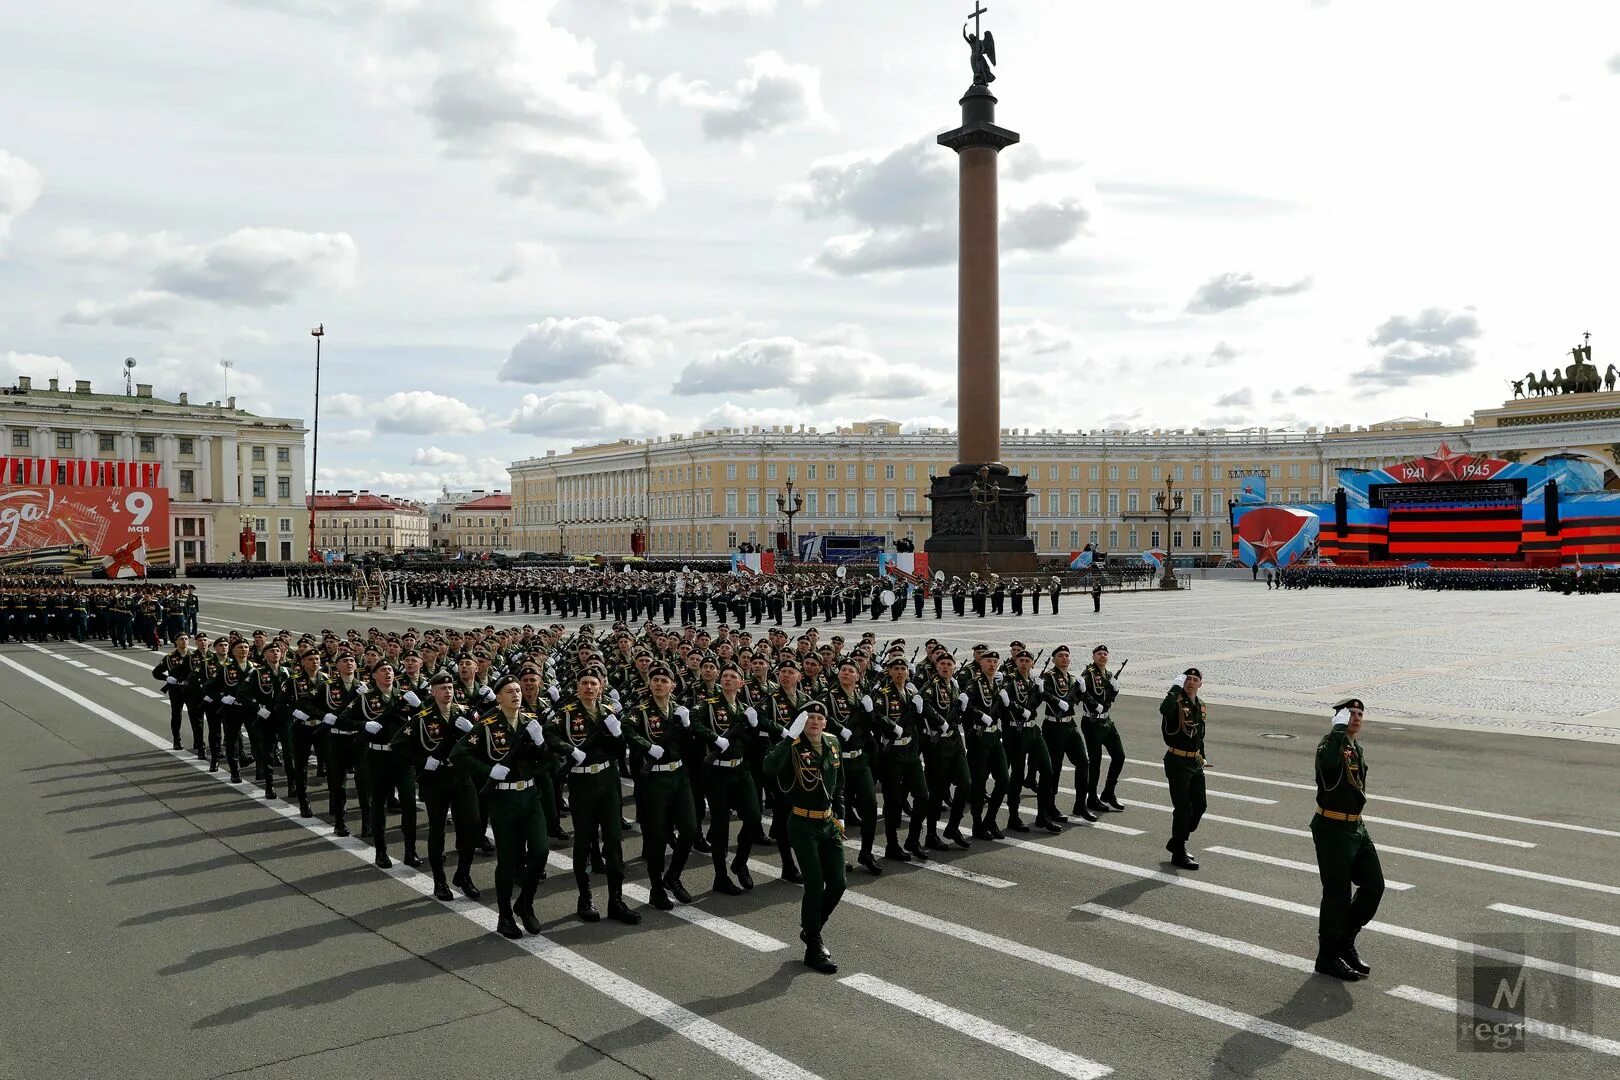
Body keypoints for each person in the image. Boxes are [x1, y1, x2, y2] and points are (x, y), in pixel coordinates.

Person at [451, 675, 556, 937]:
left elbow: (549, 763)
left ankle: (525, 904)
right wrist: (489, 770)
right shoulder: (487, 726)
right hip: (503, 800)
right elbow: (458, 754)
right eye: (510, 691)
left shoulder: (531, 723)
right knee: (508, 859)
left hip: (530, 797)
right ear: (498, 697)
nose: (516, 695)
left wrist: (541, 743)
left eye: (518, 690)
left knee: (541, 852)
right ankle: (505, 914)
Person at [763, 701, 845, 974]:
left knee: (838, 883)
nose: (814, 720)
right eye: (808, 716)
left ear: (825, 723)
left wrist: (840, 812)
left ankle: (812, 929)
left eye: (819, 717)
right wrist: (788, 738)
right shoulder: (794, 746)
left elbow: (838, 781)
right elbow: (770, 768)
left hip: (828, 823)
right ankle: (813, 944)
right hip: (802, 822)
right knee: (815, 883)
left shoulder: (833, 742)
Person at [556, 669, 641, 924]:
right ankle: (585, 897)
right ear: (577, 687)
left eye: (594, 683)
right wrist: (569, 749)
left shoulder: (608, 713)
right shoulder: (567, 715)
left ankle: (616, 900)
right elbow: (548, 736)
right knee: (583, 841)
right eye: (584, 683)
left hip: (607, 781)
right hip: (582, 782)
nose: (589, 688)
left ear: (601, 686)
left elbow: (618, 751)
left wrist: (617, 734)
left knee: (614, 841)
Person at [1311, 698, 1383, 981]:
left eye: (1359, 714)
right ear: (1339, 719)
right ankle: (1327, 957)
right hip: (1332, 827)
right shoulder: (1329, 745)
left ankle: (1344, 941)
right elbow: (1328, 765)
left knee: (1374, 885)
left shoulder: (1356, 748)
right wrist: (1337, 731)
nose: (1355, 717)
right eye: (1349, 713)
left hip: (1356, 827)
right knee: (1337, 896)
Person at [395, 671, 483, 902]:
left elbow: (482, 743)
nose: (447, 691)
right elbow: (398, 745)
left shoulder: (464, 713)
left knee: (473, 825)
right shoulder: (422, 717)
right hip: (436, 779)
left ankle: (463, 874)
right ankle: (439, 880)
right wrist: (424, 762)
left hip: (462, 776)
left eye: (450, 688)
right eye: (442, 688)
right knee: (437, 829)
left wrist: (472, 731)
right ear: (433, 692)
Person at [625, 665, 705, 910]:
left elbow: (690, 745)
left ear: (672, 685)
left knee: (690, 830)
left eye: (664, 680)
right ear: (650, 684)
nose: (659, 684)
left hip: (678, 776)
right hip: (654, 781)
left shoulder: (679, 711)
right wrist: (647, 747)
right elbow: (627, 730)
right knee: (657, 838)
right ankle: (657, 888)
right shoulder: (639, 711)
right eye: (655, 680)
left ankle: (673, 876)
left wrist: (688, 724)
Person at [1160, 667, 1207, 870]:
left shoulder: (1201, 705)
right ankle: (1178, 852)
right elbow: (1164, 709)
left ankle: (1177, 840)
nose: (1191, 682)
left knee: (1200, 806)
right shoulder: (1175, 702)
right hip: (1177, 761)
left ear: (1200, 684)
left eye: (1195, 679)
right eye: (1187, 679)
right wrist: (1174, 687)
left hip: (1195, 762)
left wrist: (1203, 756)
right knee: (1183, 808)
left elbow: (1199, 735)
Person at [1079, 645, 1127, 814]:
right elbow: (1082, 693)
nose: (1102, 656)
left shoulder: (1108, 674)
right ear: (1093, 656)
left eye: (1105, 654)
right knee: (1095, 761)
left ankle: (1108, 792)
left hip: (1107, 721)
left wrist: (1115, 689)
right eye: (1099, 654)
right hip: (1092, 722)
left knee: (1119, 756)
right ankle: (1091, 798)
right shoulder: (1088, 674)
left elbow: (1109, 698)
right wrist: (1094, 705)